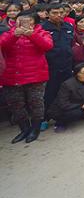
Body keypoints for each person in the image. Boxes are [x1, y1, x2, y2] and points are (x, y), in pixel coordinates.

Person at [0, 11, 54, 143]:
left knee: (36, 103)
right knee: (16, 104)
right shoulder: (9, 33)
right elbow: (2, 45)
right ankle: (24, 129)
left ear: (34, 22)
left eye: (28, 20)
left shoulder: (41, 33)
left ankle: (35, 129)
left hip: (36, 75)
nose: (24, 23)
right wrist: (14, 35)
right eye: (21, 20)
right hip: (11, 75)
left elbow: (47, 46)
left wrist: (32, 35)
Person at [41, 3, 75, 120]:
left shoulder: (69, 26)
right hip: (50, 66)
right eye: (55, 13)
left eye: (61, 12)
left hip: (67, 65)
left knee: (66, 92)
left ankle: (63, 117)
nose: (59, 15)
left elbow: (70, 45)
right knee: (50, 93)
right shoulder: (42, 28)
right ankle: (44, 118)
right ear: (47, 14)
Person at [48, 63, 84, 131]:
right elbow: (63, 104)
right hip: (63, 109)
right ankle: (60, 123)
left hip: (80, 104)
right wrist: (82, 106)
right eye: (83, 73)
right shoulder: (67, 84)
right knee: (76, 113)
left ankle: (83, 116)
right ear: (77, 74)